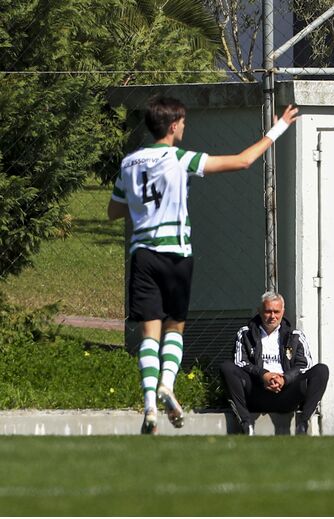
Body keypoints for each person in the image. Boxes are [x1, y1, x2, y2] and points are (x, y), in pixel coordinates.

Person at [108, 95, 299, 434]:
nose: (184, 126)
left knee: (149, 332)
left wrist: (144, 206)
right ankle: (167, 383)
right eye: (182, 121)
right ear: (172, 126)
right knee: (175, 326)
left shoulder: (129, 163)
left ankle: (149, 403)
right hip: (176, 255)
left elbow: (114, 211)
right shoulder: (179, 158)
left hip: (143, 255)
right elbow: (242, 161)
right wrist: (279, 128)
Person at [220, 292, 329, 435]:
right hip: (256, 392)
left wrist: (284, 379)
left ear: (283, 312)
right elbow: (240, 361)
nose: (272, 316)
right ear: (260, 311)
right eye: (268, 311)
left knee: (321, 370)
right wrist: (263, 375)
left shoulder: (295, 336)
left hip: (286, 394)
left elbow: (304, 365)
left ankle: (302, 425)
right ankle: (246, 425)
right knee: (227, 367)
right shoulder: (245, 334)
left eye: (276, 312)